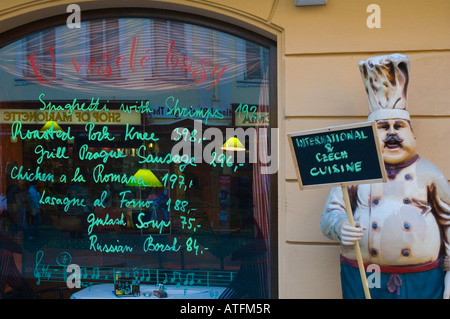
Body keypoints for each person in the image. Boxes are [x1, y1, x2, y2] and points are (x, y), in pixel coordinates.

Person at [320, 54, 450, 299]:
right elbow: (330, 214)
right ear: (370, 135)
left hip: (422, 278)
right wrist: (340, 226)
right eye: (383, 128)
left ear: (412, 134)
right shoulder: (355, 171)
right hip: (364, 273)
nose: (392, 133)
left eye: (398, 126)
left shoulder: (429, 173)